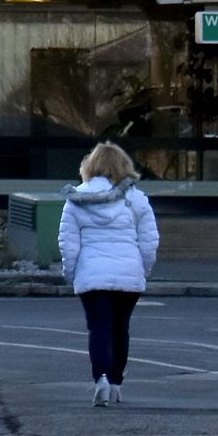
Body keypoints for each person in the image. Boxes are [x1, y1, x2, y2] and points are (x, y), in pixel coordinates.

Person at [57, 142, 158, 408]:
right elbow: (149, 242)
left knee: (99, 327)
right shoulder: (137, 199)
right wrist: (143, 271)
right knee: (121, 329)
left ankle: (100, 378)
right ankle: (116, 383)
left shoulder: (76, 199)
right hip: (129, 275)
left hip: (92, 276)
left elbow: (68, 245)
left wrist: (71, 274)